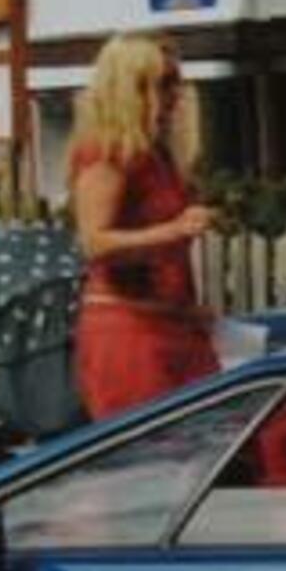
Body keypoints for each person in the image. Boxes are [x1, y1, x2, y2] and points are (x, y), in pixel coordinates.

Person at [68, 32, 219, 419]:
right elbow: (94, 242)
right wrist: (175, 231)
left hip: (169, 323)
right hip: (130, 332)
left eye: (177, 82)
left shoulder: (155, 153)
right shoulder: (108, 151)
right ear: (133, 88)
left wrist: (186, 309)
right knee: (153, 460)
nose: (175, 95)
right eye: (165, 83)